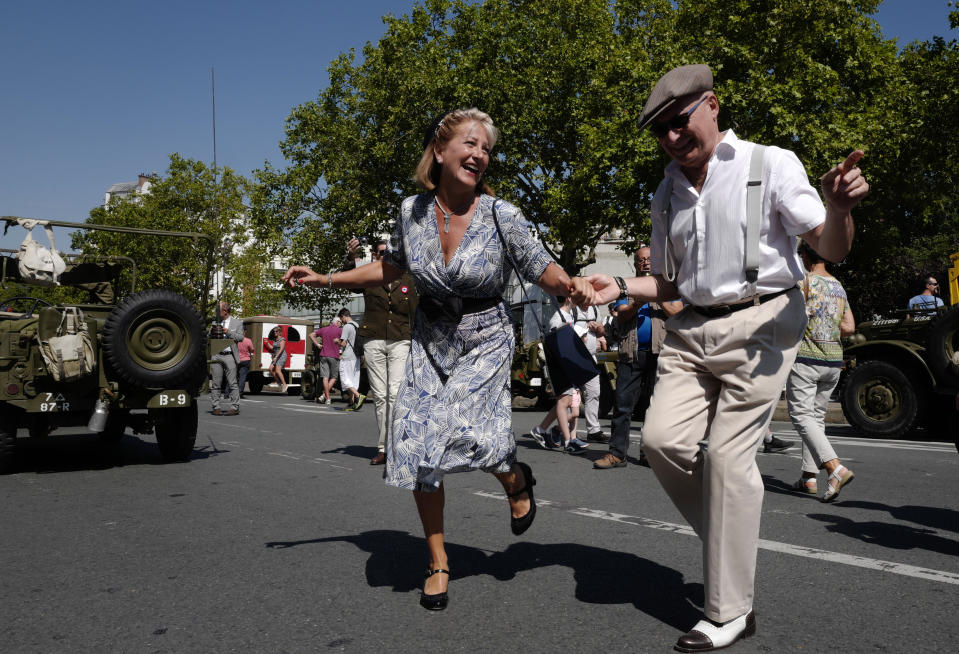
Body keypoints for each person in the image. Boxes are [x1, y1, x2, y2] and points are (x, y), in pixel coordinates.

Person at [575, 64, 869, 652]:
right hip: (690, 329)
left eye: (679, 122)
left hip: (762, 324)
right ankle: (727, 533)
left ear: (711, 106)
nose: (672, 137)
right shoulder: (666, 190)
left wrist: (838, 209)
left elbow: (830, 247)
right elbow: (668, 282)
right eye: (660, 130)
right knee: (659, 443)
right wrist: (619, 285)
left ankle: (728, 610)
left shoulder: (771, 163)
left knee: (732, 460)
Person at [283, 107, 579, 611]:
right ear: (440, 151)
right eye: (470, 143)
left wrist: (574, 285)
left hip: (485, 335)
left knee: (473, 434)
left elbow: (541, 265)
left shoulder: (500, 215)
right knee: (419, 446)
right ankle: (438, 560)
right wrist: (324, 278)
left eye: (486, 148)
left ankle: (514, 476)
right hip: (429, 337)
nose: (480, 154)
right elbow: (390, 268)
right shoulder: (411, 212)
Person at [593, 246, 682, 469]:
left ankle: (648, 454)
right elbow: (622, 315)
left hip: (661, 354)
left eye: (650, 259)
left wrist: (658, 297)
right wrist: (638, 301)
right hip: (631, 354)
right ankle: (616, 454)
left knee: (654, 408)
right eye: (641, 260)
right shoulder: (627, 286)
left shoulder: (669, 287)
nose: (646, 263)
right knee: (622, 406)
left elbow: (679, 313)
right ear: (635, 264)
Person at [787, 240, 857, 502]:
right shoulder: (838, 286)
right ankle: (808, 477)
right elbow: (849, 326)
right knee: (815, 419)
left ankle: (835, 469)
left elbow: (792, 318)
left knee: (801, 416)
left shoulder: (804, 281)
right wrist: (827, 328)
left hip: (806, 358)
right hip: (833, 360)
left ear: (805, 254)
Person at [344, 238, 418, 463]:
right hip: (373, 339)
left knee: (395, 394)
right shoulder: (369, 276)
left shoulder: (409, 278)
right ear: (375, 256)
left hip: (401, 339)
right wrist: (350, 258)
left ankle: (395, 447)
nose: (386, 256)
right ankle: (383, 449)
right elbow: (348, 282)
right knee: (381, 396)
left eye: (390, 252)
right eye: (382, 252)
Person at [529, 298, 592, 454]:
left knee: (564, 402)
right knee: (564, 402)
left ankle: (542, 429)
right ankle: (568, 441)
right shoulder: (558, 317)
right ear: (570, 297)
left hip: (567, 365)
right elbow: (556, 344)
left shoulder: (568, 315)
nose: (583, 301)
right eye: (580, 297)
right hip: (560, 365)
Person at [210, 301, 244, 416]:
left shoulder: (237, 323)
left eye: (217, 310)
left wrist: (228, 332)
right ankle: (216, 407)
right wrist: (212, 332)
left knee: (233, 383)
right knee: (216, 383)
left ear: (224, 311)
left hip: (229, 355)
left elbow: (241, 337)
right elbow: (209, 337)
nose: (216, 312)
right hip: (216, 354)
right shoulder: (215, 322)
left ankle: (235, 407)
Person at [336, 308, 366, 411]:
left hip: (348, 356)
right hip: (357, 356)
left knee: (344, 379)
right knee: (352, 380)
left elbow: (343, 343)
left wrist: (337, 341)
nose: (341, 321)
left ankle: (358, 396)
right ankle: (352, 403)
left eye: (341, 318)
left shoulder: (347, 327)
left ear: (343, 316)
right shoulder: (357, 325)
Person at [311, 319, 342, 404]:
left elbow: (311, 335)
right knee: (334, 377)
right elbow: (344, 342)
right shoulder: (339, 330)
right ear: (337, 322)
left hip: (323, 355)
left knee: (325, 377)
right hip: (334, 356)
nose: (341, 324)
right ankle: (325, 395)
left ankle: (327, 398)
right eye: (340, 323)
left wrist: (317, 344)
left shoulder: (324, 329)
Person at [268, 327, 288, 392]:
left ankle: (284, 384)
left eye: (276, 331)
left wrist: (276, 357)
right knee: (270, 369)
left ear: (279, 332)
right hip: (276, 356)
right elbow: (272, 348)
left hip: (281, 356)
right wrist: (267, 343)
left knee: (278, 371)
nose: (275, 333)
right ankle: (278, 381)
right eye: (274, 332)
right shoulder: (275, 340)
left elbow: (281, 349)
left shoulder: (282, 339)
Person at [236, 330, 255, 398]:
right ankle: (240, 392)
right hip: (245, 360)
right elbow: (252, 349)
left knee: (234, 377)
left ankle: (229, 392)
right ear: (245, 332)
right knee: (242, 377)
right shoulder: (248, 340)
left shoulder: (235, 340)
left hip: (236, 360)